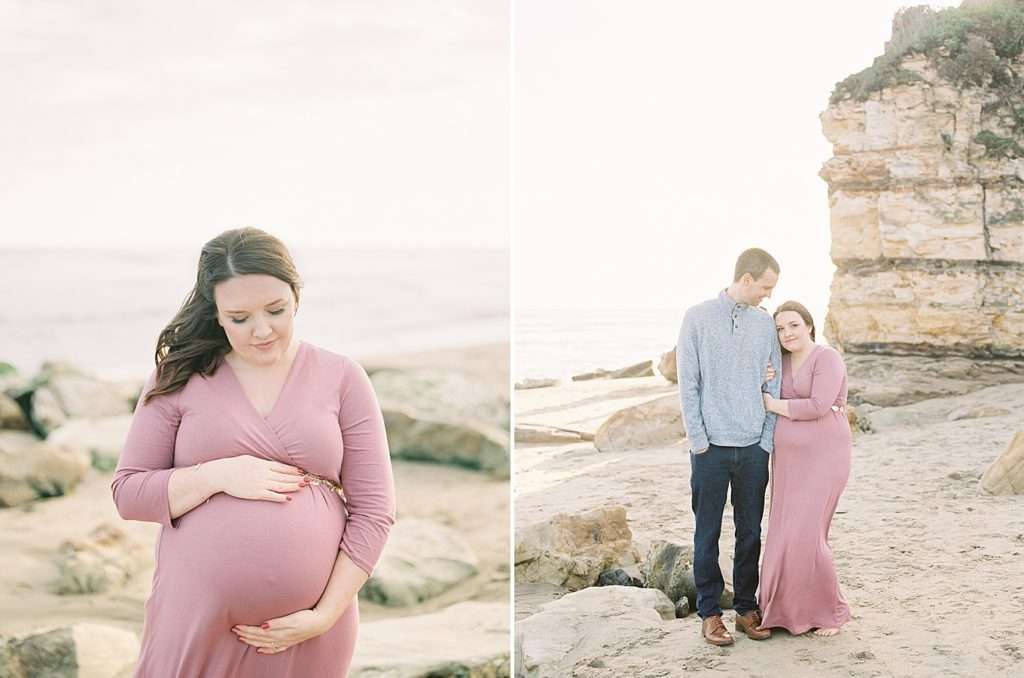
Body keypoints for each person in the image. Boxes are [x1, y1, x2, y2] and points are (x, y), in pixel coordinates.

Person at [111, 227, 396, 677]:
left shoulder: (342, 377)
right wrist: (218, 475)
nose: (262, 330)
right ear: (217, 314)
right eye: (240, 317)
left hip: (309, 630)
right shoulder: (180, 377)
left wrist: (324, 615)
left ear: (295, 296)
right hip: (194, 620)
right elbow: (128, 493)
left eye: (276, 310)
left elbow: (375, 511)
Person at [676, 248, 782, 646]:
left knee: (750, 532)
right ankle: (710, 613)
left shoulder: (764, 324)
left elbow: (774, 384)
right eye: (766, 287)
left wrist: (766, 440)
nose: (768, 296)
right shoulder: (698, 317)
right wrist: (700, 440)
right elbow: (688, 384)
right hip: (710, 450)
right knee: (707, 533)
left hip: (753, 447)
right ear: (748, 278)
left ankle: (745, 607)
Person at [758, 301, 852, 637]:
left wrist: (775, 404)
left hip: (825, 456)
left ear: (809, 325)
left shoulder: (827, 357)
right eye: (780, 329)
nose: (787, 333)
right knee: (783, 531)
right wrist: (764, 377)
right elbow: (758, 390)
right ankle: (782, 610)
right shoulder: (779, 363)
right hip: (787, 459)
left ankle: (828, 613)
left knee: (808, 534)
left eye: (794, 325)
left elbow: (818, 405)